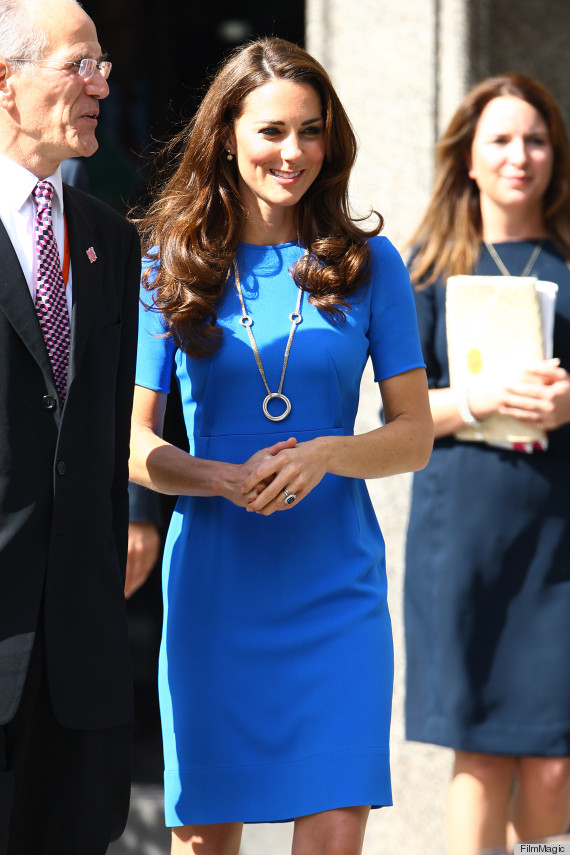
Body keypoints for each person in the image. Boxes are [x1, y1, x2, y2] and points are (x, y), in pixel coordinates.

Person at [129, 36, 433, 855]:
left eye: (309, 130)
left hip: (336, 587)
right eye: (270, 131)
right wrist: (218, 477)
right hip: (215, 591)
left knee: (334, 831)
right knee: (203, 841)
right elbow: (131, 441)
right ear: (226, 134)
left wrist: (330, 451)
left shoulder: (374, 265)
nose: (291, 152)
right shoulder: (171, 260)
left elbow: (413, 434)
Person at [404, 73, 570, 855]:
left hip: (558, 539)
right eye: (500, 139)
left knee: (553, 766)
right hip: (463, 535)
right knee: (479, 753)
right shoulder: (427, 268)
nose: (519, 155)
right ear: (467, 157)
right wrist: (480, 396)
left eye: (535, 139)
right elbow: (398, 421)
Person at [0, 0, 141, 852]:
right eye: (78, 64)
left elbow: (106, 424)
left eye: (103, 69)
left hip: (81, 669)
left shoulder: (106, 239)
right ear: (6, 84)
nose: (98, 86)